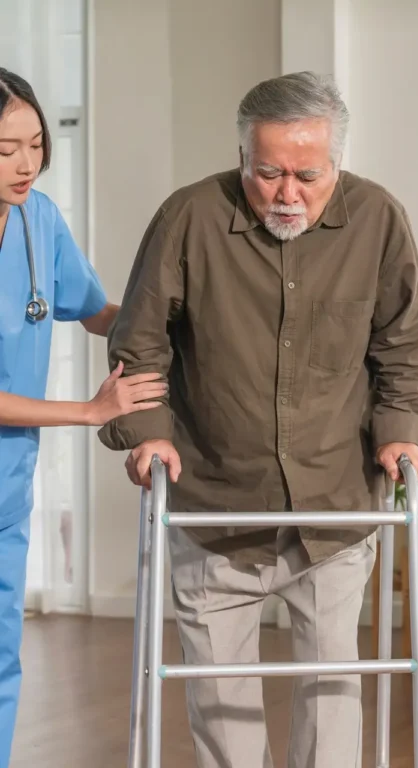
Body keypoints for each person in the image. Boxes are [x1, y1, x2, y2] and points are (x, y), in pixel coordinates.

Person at [98, 71, 418, 768]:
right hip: (214, 500)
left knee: (333, 685)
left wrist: (399, 431)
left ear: (336, 162)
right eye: (266, 173)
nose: (286, 193)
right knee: (219, 697)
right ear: (242, 155)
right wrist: (148, 433)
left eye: (306, 175)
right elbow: (141, 341)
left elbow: (403, 340)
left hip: (334, 501)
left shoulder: (378, 220)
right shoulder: (188, 217)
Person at [0, 69, 166, 768]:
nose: (27, 162)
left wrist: (169, 322)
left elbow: (100, 311)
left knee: (2, 653)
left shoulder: (40, 221)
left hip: (10, 474)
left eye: (36, 143)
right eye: (8, 147)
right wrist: (90, 411)